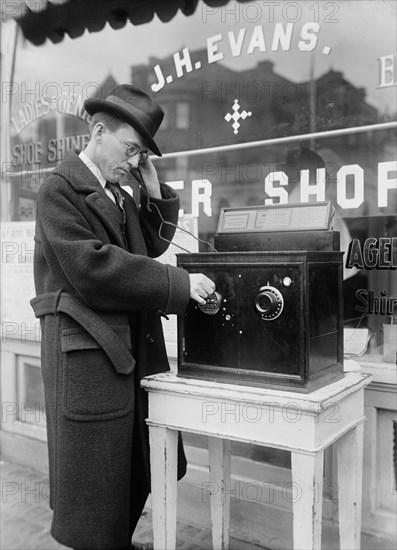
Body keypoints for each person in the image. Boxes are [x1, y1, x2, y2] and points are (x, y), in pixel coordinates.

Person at [30, 84, 215, 550]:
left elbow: (147, 247)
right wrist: (177, 285)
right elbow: (92, 269)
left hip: (126, 348)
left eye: (139, 155)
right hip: (92, 355)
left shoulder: (118, 192)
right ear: (98, 131)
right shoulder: (59, 190)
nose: (134, 162)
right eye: (131, 149)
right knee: (96, 487)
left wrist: (153, 190)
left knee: (133, 469)